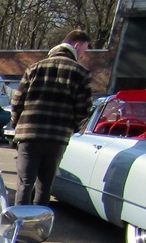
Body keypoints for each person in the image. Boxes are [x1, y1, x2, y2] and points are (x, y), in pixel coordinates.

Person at [10, 29, 93, 205]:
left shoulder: (34, 69)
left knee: (24, 184)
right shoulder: (81, 73)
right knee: (45, 185)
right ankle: (40, 221)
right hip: (57, 137)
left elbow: (17, 102)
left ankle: (19, 220)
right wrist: (70, 128)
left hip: (29, 135)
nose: (83, 55)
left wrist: (17, 125)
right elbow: (84, 109)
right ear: (76, 45)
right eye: (84, 50)